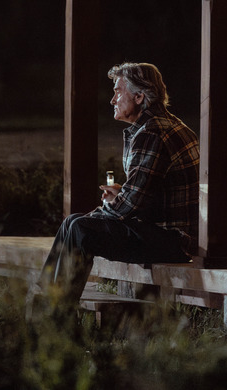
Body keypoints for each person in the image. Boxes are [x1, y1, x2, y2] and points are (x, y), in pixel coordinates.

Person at [35, 62, 200, 307]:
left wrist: (110, 206)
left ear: (139, 96)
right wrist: (122, 194)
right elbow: (151, 193)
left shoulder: (152, 132)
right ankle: (50, 302)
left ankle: (56, 311)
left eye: (118, 92)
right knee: (73, 222)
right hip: (164, 232)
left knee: (80, 228)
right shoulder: (167, 124)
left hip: (173, 240)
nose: (112, 100)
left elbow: (131, 205)